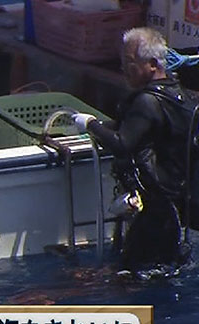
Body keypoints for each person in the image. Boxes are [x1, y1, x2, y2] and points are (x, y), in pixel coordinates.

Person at [72, 27, 195, 273]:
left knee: (133, 273)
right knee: (163, 267)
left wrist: (90, 124)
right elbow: (143, 131)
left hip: (156, 208)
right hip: (176, 205)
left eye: (129, 62)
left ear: (152, 65)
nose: (124, 69)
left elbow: (122, 143)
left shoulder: (147, 102)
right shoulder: (179, 96)